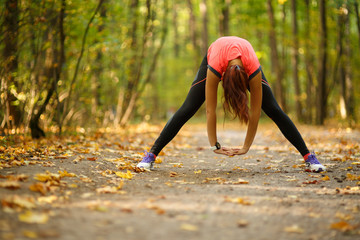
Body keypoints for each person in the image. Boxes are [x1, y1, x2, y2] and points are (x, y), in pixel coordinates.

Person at [137, 36, 326, 172]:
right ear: (222, 77)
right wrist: (214, 145)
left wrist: (246, 147)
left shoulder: (253, 71)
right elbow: (211, 111)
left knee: (274, 109)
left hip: (246, 59)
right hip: (216, 52)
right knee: (188, 108)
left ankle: (309, 157)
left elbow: (255, 112)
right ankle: (151, 155)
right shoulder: (215, 68)